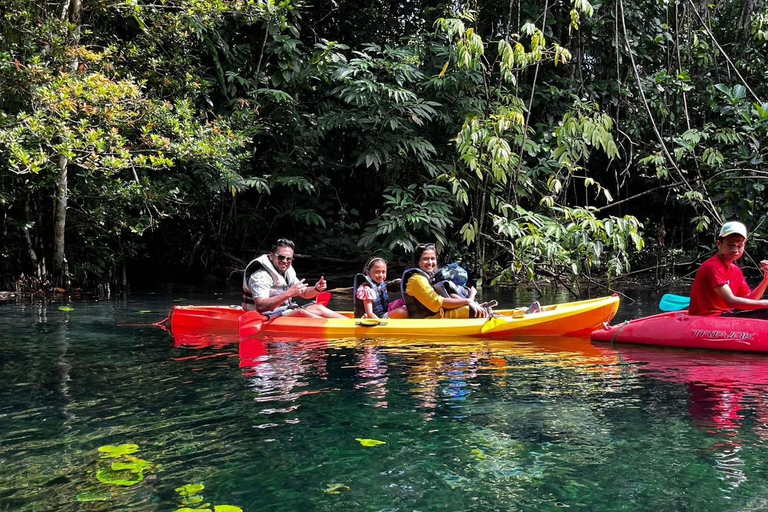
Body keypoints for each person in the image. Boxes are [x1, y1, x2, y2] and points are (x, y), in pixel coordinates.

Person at [242, 238, 345, 318]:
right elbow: (261, 307)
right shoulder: (260, 275)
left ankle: (351, 324)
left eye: (289, 258)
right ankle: (339, 330)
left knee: (318, 308)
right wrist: (289, 293)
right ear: (271, 256)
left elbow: (304, 293)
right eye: (281, 257)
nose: (285, 261)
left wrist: (316, 288)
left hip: (283, 310)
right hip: (261, 315)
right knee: (301, 312)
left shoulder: (287, 269)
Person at [688, 221, 768, 317]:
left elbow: (751, 301)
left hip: (725, 316)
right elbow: (731, 301)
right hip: (709, 318)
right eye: (730, 245)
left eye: (740, 246)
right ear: (719, 244)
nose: (735, 250)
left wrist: (766, 280)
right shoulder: (712, 266)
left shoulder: (735, 270)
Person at [399, 243, 490, 319]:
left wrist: (471, 302)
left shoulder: (431, 277)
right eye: (425, 259)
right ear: (417, 262)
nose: (430, 262)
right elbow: (436, 304)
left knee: (478, 309)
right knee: (471, 310)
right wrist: (468, 301)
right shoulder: (417, 280)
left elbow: (448, 295)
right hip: (428, 320)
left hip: (438, 316)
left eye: (432, 258)